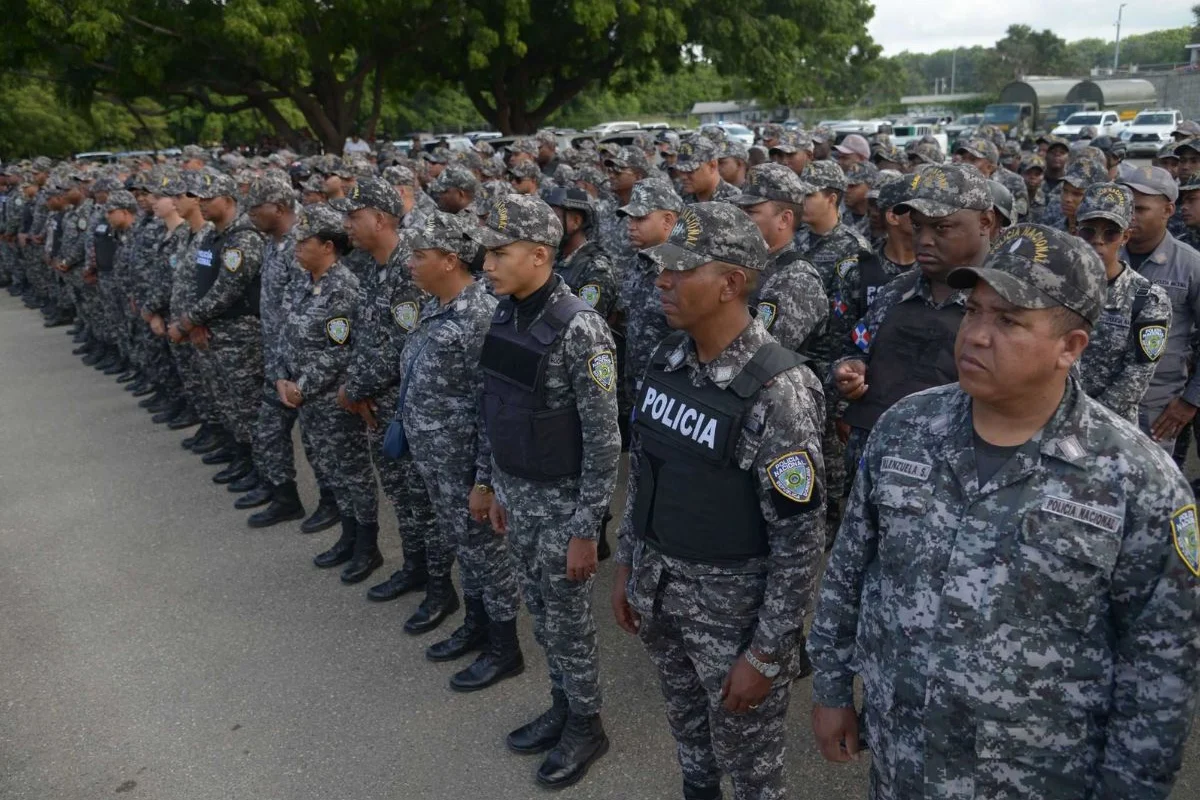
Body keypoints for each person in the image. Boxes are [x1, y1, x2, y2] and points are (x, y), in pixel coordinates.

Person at [809, 222, 1200, 799]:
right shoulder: (907, 429)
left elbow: (1159, 668)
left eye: (1009, 321)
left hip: (1036, 777)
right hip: (902, 758)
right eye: (974, 311)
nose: (975, 336)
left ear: (1071, 347)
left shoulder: (1138, 479)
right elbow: (850, 571)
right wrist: (832, 688)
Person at [611, 202, 826, 800]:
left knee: (753, 775)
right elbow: (646, 476)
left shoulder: (779, 390)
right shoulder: (668, 361)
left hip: (732, 621)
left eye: (681, 268)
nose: (662, 279)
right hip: (661, 595)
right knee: (693, 753)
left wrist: (766, 653)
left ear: (731, 282)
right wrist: (628, 565)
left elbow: (801, 542)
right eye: (662, 267)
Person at [467, 194, 620, 789]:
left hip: (562, 508)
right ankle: (562, 703)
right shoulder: (504, 314)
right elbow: (495, 407)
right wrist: (491, 483)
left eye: (499, 254)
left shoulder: (581, 328)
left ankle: (587, 722)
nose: (487, 264)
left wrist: (588, 529)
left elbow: (605, 440)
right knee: (541, 613)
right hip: (518, 494)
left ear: (538, 254)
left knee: (569, 621)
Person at [399, 211, 525, 691]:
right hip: (436, 458)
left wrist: (483, 480)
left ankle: (504, 646)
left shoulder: (479, 315)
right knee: (465, 548)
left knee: (486, 553)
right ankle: (476, 623)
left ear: (450, 260)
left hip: (465, 463)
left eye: (420, 256)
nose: (410, 264)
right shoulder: (438, 305)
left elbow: (491, 405)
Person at [835, 164, 993, 475]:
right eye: (918, 226)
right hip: (876, 469)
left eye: (942, 228)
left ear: (985, 222)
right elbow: (854, 348)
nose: (924, 240)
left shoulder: (1010, 304)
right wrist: (848, 370)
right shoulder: (897, 291)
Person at [334, 179, 437, 597]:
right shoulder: (375, 267)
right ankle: (413, 567)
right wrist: (357, 388)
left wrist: (354, 387)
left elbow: (402, 343)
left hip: (403, 408)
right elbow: (365, 336)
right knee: (400, 496)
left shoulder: (406, 270)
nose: (347, 226)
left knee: (421, 501)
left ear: (380, 218)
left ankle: (438, 586)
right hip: (379, 403)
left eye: (354, 217)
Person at [276, 204, 379, 588]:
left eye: (305, 242)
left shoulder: (344, 288)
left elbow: (341, 350)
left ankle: (367, 544)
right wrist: (283, 379)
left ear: (328, 246)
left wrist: (302, 385)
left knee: (353, 472)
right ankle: (348, 534)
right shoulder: (302, 282)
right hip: (305, 398)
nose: (297, 248)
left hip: (331, 398)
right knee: (330, 467)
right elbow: (287, 335)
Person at [177, 170, 266, 489]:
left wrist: (191, 320)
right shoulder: (212, 235)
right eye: (197, 198)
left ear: (228, 201)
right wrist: (197, 320)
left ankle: (265, 471)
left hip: (240, 333)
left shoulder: (244, 237)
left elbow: (228, 290)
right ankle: (242, 457)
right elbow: (196, 281)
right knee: (228, 401)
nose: (200, 203)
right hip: (215, 330)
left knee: (247, 404)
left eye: (207, 198)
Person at [1073, 182, 1172, 422]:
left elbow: (1137, 375)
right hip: (1051, 416)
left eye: (1110, 233)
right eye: (1089, 231)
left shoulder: (1148, 299)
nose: (1098, 241)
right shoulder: (1057, 286)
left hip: (1110, 427)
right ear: (1076, 232)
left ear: (1125, 236)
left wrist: (1085, 418)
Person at [1119, 166, 1200, 451]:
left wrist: (1191, 402)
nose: (1130, 216)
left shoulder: (1191, 266)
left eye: (1140, 209)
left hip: (1156, 408)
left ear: (1168, 210)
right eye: (1127, 206)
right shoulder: (1105, 255)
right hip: (1101, 401)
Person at [731, 163, 829, 362]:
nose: (740, 219)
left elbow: (762, 357)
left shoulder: (797, 280)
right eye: (739, 210)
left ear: (784, 219)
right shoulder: (745, 261)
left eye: (750, 212)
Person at [675, 135, 741, 204]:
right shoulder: (678, 193)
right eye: (680, 170)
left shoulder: (735, 201)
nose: (683, 177)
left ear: (712, 166)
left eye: (690, 170)